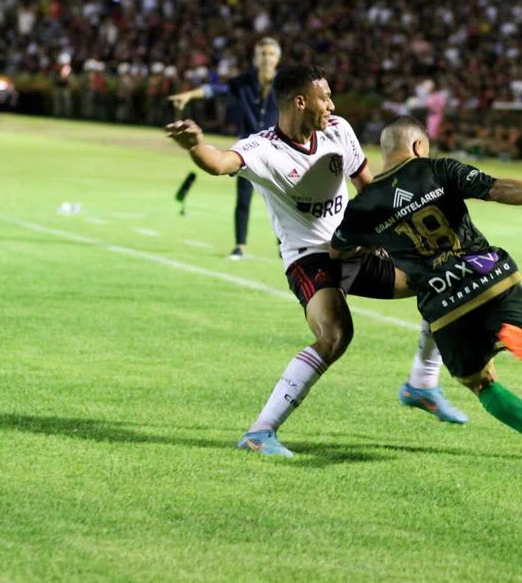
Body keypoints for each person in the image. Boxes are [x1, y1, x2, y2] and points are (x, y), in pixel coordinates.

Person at [166, 65, 467, 457]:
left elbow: (369, 187)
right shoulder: (264, 149)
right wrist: (194, 146)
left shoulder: (338, 130)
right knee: (336, 334)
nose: (332, 104)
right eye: (325, 97)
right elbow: (221, 161)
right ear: (300, 101)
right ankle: (260, 433)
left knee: (444, 278)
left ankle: (423, 384)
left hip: (355, 247)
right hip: (310, 259)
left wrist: (383, 235)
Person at [330, 116, 522, 465]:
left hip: (443, 304)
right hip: (489, 278)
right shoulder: (438, 169)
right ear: (419, 146)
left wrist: (374, 244)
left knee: (482, 384)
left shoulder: (363, 206)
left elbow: (338, 250)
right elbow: (499, 189)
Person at [169, 38, 281, 261]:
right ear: (255, 58)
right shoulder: (243, 82)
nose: (266, 58)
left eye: (270, 54)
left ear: (277, 58)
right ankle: (239, 246)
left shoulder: (285, 84)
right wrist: (190, 95)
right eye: (262, 53)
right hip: (249, 150)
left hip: (278, 150)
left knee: (282, 200)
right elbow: (215, 90)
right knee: (243, 199)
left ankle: (284, 245)